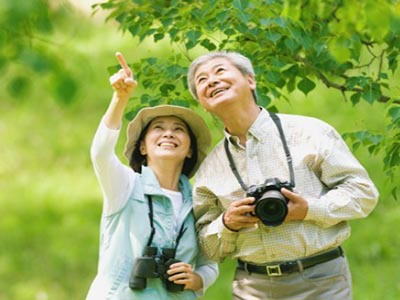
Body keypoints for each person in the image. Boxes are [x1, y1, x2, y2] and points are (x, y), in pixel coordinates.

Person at [187, 51, 379, 300]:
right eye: (202, 80)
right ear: (203, 103)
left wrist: (309, 209)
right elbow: (205, 246)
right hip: (252, 287)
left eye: (220, 71)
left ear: (250, 80)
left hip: (322, 280)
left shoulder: (310, 132)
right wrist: (227, 223)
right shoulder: (209, 169)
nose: (211, 81)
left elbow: (363, 192)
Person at [86, 52, 218, 300]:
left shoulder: (200, 202)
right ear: (143, 147)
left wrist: (197, 279)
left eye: (178, 130)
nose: (168, 134)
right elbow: (101, 153)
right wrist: (120, 97)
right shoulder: (125, 186)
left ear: (190, 150)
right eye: (158, 129)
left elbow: (210, 263)